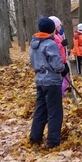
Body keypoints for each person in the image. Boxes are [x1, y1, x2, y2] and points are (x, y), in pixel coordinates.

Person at [29, 17, 69, 149]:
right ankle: (53, 141)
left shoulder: (34, 43)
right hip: (51, 81)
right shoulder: (49, 44)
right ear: (52, 30)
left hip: (40, 80)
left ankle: (35, 137)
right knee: (55, 111)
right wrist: (63, 69)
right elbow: (56, 64)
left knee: (41, 109)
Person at [48, 16, 70, 97]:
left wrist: (66, 51)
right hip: (59, 61)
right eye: (59, 26)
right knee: (63, 78)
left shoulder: (59, 35)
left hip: (63, 60)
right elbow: (54, 48)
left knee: (66, 77)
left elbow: (60, 48)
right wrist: (61, 44)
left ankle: (62, 91)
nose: (60, 27)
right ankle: (60, 93)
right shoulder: (53, 37)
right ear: (55, 26)